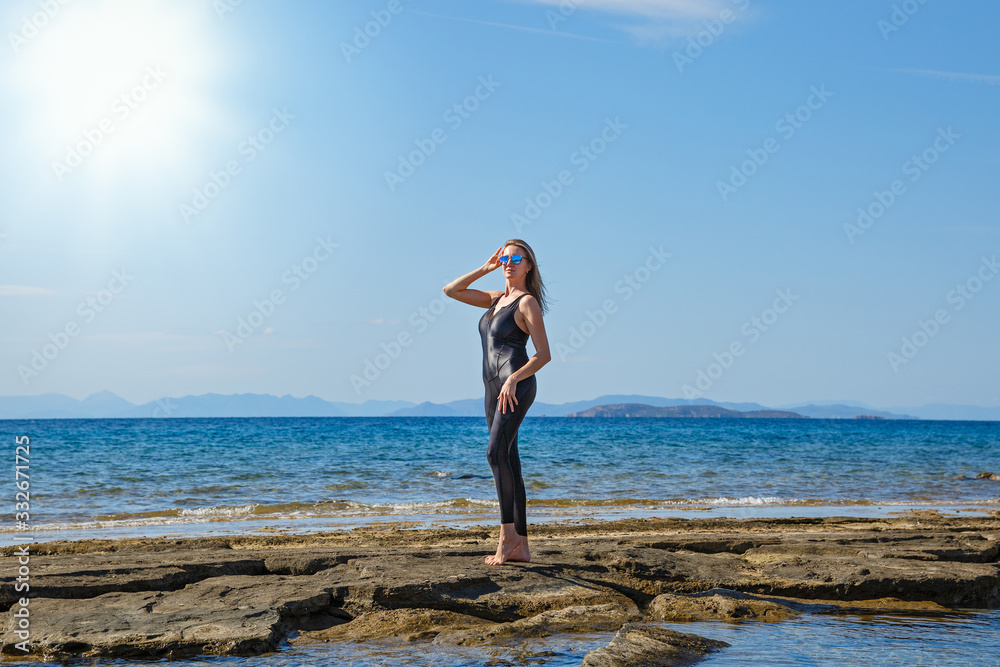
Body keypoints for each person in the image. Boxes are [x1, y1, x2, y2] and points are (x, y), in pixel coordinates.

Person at [443, 240, 551, 565]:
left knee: (494, 454)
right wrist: (485, 268)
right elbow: (451, 290)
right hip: (492, 390)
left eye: (516, 258)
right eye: (504, 258)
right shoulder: (495, 300)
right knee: (509, 460)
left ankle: (506, 541)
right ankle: (523, 547)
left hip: (514, 386)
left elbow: (543, 355)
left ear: (529, 265)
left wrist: (514, 379)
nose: (509, 262)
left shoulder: (527, 302)